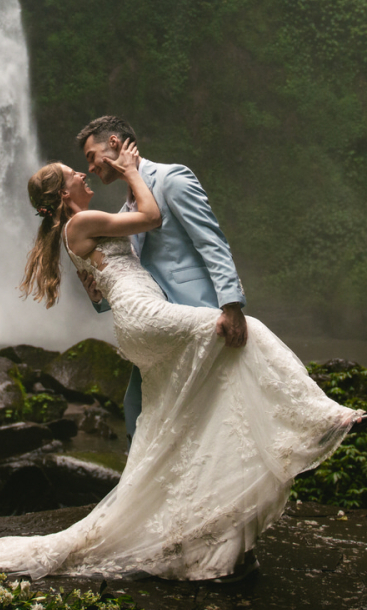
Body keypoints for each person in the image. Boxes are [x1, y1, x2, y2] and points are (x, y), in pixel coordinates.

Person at [0, 144, 365, 581]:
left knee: (181, 408)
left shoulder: (74, 229)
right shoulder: (84, 221)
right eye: (74, 172)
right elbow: (152, 218)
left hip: (134, 319)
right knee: (245, 332)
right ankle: (322, 417)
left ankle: (205, 534)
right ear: (62, 193)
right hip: (145, 315)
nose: (83, 174)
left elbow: (97, 297)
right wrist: (131, 171)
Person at [75, 116, 246, 441]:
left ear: (113, 143)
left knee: (214, 421)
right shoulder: (127, 214)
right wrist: (98, 296)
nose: (91, 169)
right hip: (160, 330)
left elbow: (212, 242)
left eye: (90, 157)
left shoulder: (171, 179)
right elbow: (130, 277)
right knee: (137, 417)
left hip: (202, 316)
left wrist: (232, 305)